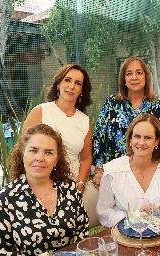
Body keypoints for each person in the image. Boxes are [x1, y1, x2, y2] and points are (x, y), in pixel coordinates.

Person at [0, 124, 89, 255]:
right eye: (33, 150)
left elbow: (82, 234)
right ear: (23, 154)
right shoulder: (5, 199)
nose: (40, 158)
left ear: (56, 160)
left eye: (48, 152)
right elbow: (1, 252)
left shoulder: (70, 189)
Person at [92, 56, 160, 187]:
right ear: (123, 79)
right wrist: (99, 169)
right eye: (129, 74)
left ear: (146, 77)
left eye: (139, 73)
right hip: (116, 175)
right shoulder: (111, 104)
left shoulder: (157, 106)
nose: (134, 77)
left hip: (147, 176)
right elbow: (98, 138)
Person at [96, 114, 160, 227]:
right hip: (123, 237)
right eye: (137, 136)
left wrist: (158, 213)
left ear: (157, 141)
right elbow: (103, 211)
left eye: (148, 137)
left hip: (157, 235)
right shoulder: (112, 171)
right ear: (130, 139)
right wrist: (132, 218)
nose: (141, 142)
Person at [22, 63, 93, 194]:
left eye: (78, 83)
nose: (72, 86)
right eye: (67, 80)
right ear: (58, 84)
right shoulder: (40, 112)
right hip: (39, 185)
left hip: (71, 189)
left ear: (81, 90)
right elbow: (23, 150)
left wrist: (80, 184)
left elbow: (86, 158)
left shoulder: (85, 122)